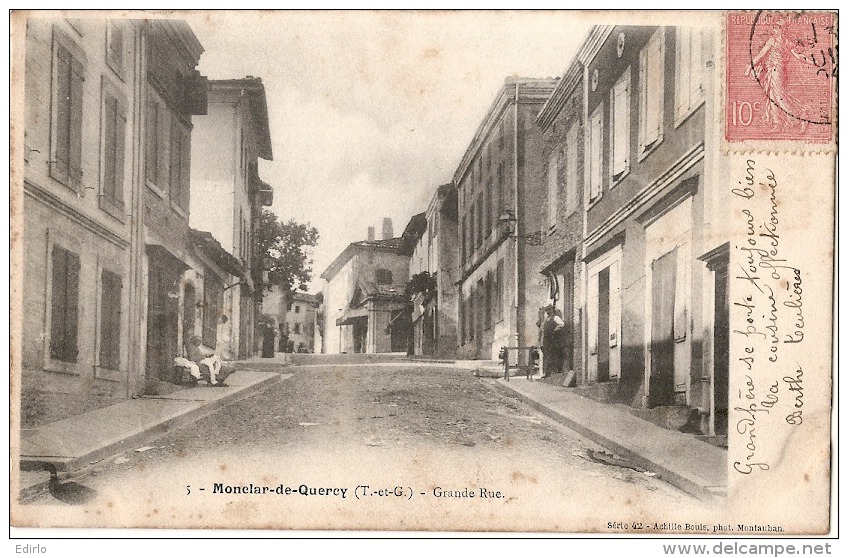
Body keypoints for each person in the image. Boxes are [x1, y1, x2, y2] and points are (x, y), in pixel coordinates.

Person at [541, 305, 565, 379]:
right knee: (547, 356)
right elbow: (542, 329)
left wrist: (554, 330)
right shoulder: (546, 319)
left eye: (549, 310)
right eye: (547, 310)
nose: (548, 312)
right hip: (546, 340)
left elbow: (561, 324)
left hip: (553, 340)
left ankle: (555, 371)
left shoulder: (555, 318)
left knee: (553, 355)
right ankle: (547, 372)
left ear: (552, 310)